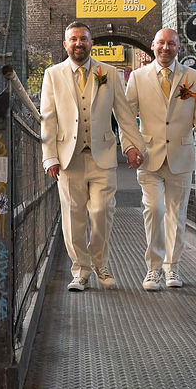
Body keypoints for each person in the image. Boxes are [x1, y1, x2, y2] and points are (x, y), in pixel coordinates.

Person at [41, 22, 143, 292]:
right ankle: (81, 271)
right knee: (73, 217)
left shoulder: (109, 73)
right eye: (73, 39)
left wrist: (133, 146)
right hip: (68, 158)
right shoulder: (53, 75)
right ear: (65, 44)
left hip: (103, 156)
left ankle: (100, 262)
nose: (78, 43)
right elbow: (48, 119)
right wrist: (49, 156)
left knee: (101, 213)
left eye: (83, 39)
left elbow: (124, 114)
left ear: (91, 43)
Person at [125, 28, 196, 291]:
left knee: (177, 213)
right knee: (154, 209)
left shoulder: (193, 78)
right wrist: (130, 146)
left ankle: (172, 267)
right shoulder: (138, 78)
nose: (166, 48)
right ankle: (153, 268)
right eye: (161, 43)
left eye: (171, 44)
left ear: (179, 48)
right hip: (149, 155)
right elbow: (127, 115)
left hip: (181, 154)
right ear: (153, 45)